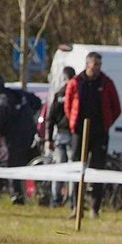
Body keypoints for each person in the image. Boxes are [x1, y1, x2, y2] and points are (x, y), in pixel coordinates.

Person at [63, 52, 122, 218]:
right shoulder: (75, 82)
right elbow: (67, 106)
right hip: (79, 132)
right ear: (87, 64)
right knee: (76, 169)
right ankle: (76, 206)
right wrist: (74, 122)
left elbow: (116, 107)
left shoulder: (106, 82)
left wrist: (106, 123)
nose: (96, 68)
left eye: (99, 65)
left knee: (97, 170)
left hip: (100, 132)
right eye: (94, 64)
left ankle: (95, 208)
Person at [0, 77, 43, 204]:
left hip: (14, 141)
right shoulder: (19, 93)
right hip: (30, 136)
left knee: (13, 168)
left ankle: (17, 197)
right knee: (35, 167)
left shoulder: (2, 104)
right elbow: (37, 102)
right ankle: (42, 194)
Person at [44, 66, 75, 205]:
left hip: (60, 134)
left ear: (64, 77)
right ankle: (71, 198)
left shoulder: (59, 94)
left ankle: (56, 198)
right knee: (73, 168)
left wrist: (48, 138)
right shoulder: (76, 92)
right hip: (73, 134)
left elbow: (50, 118)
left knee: (59, 168)